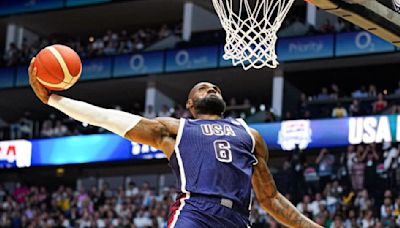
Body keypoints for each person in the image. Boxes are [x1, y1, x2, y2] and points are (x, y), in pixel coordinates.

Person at [28, 58, 321, 228]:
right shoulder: (176, 129)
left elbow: (270, 199)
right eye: (203, 87)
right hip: (195, 211)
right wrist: (55, 99)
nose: (212, 87)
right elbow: (111, 119)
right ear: (190, 104)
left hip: (236, 217)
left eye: (215, 87)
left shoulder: (249, 134)